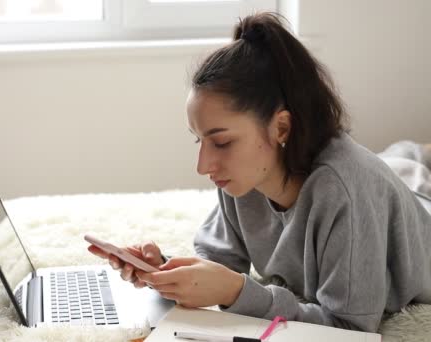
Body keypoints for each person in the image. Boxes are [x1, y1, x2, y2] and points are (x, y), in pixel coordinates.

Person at [88, 12, 431, 333]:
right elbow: (218, 259)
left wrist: (240, 292)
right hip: (391, 180)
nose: (203, 166)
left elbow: (350, 328)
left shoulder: (345, 192)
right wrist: (166, 272)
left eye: (221, 142)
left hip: (413, 211)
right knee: (402, 163)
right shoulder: (244, 177)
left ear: (281, 128)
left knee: (405, 170)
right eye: (200, 141)